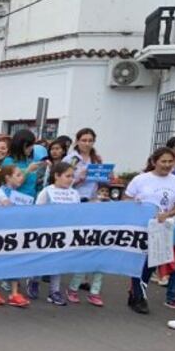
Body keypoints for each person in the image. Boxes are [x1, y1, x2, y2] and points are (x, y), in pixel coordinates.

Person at [124, 146, 175, 315]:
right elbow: (126, 199)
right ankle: (139, 297)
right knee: (138, 261)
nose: (167, 165)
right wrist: (135, 206)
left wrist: (167, 214)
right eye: (163, 161)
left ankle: (134, 292)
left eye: (170, 162)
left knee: (151, 263)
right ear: (154, 162)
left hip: (160, 228)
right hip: (140, 226)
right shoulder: (141, 179)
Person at [64, 128, 108, 306]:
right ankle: (73, 283)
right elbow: (62, 181)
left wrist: (105, 176)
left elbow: (100, 182)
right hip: (75, 201)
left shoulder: (96, 159)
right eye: (84, 140)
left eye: (90, 140)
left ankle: (88, 286)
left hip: (93, 201)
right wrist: (79, 178)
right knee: (79, 243)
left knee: (93, 243)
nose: (87, 143)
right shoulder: (71, 159)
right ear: (78, 140)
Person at [0, 164, 32, 308]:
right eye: (18, 175)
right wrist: (2, 210)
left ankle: (15, 293)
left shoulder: (20, 196)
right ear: (7, 178)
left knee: (15, 261)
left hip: (15, 233)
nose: (21, 178)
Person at [36, 162, 81, 306]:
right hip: (46, 234)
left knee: (58, 262)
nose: (70, 179)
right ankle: (34, 280)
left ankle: (54, 291)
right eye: (67, 176)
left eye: (72, 176)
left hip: (65, 234)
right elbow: (36, 212)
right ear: (56, 176)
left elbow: (78, 213)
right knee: (41, 260)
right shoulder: (47, 191)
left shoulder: (74, 193)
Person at [2, 128, 48, 200]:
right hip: (15, 202)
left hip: (30, 202)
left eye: (32, 145)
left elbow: (32, 183)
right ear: (22, 145)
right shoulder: (9, 162)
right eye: (30, 145)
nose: (32, 148)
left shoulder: (29, 161)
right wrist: (28, 170)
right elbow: (13, 184)